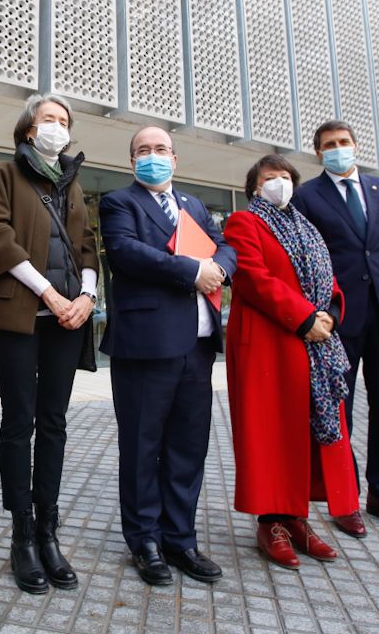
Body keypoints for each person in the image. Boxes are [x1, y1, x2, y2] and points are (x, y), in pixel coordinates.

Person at [98, 126, 237, 586]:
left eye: (160, 150)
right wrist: (193, 270)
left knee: (188, 447)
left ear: (175, 159)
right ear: (131, 161)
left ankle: (181, 538)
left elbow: (225, 246)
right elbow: (126, 253)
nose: (151, 157)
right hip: (145, 344)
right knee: (142, 446)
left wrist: (220, 267)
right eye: (142, 151)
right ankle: (145, 541)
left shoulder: (194, 205)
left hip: (196, 347)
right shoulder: (120, 202)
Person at [0, 94, 100, 594]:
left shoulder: (71, 183)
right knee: (19, 421)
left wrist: (88, 296)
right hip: (22, 317)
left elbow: (87, 245)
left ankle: (48, 530)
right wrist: (49, 292)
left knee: (54, 422)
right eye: (48, 118)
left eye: (63, 121)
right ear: (29, 129)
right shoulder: (4, 174)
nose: (57, 126)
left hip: (67, 321)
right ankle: (22, 534)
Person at [292, 121, 379, 537]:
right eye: (329, 145)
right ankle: (345, 497)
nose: (338, 150)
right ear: (318, 153)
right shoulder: (306, 196)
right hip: (337, 320)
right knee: (339, 411)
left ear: (356, 146)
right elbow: (305, 258)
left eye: (344, 143)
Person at [223, 155, 359, 569]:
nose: (278, 183)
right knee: (272, 433)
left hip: (313, 345)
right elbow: (252, 277)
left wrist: (331, 316)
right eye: (269, 178)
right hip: (269, 343)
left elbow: (330, 281)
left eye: (284, 177)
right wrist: (304, 319)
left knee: (304, 433)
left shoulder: (307, 227)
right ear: (254, 187)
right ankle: (271, 523)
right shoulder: (244, 222)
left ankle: (297, 518)